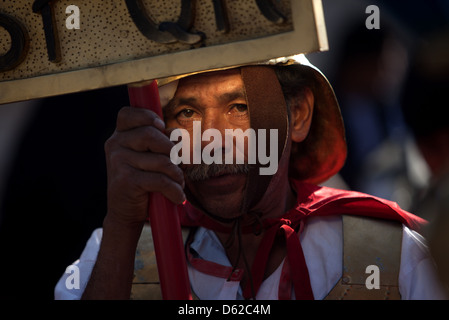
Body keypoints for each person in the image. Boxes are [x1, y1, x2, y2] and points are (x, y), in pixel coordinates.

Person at [55, 55, 448, 300]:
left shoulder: (396, 257)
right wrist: (122, 224)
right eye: (187, 113)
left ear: (297, 115)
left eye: (239, 107)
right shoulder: (120, 247)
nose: (213, 141)